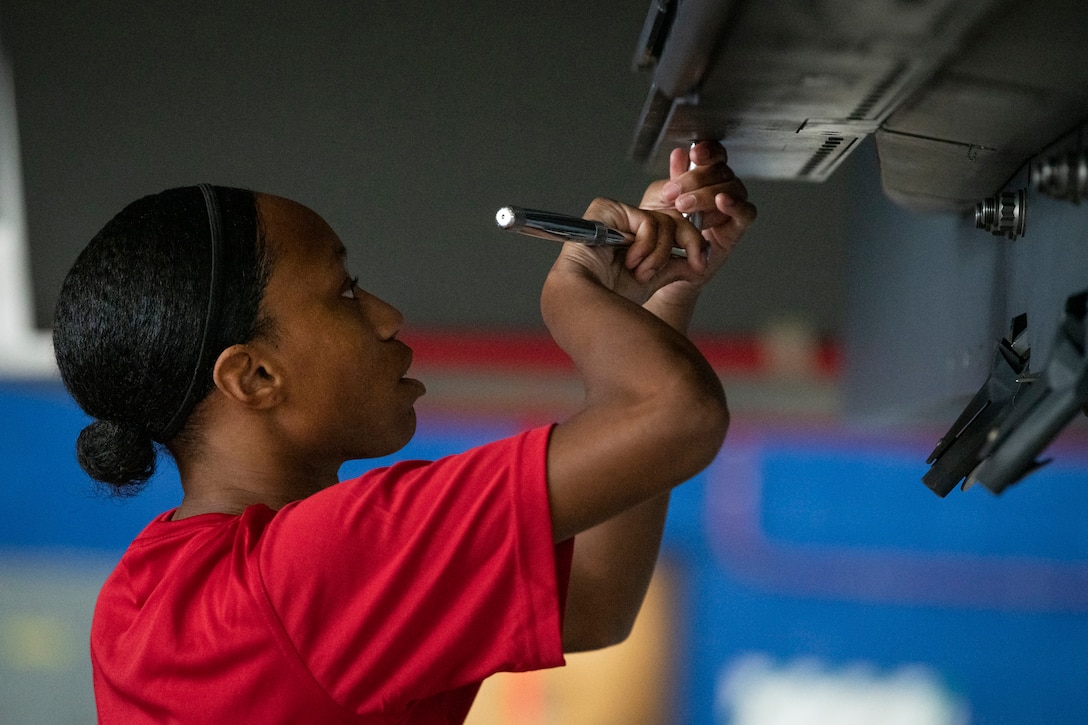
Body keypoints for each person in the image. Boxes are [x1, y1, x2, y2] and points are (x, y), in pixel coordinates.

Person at [51, 141, 755, 723]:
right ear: (255, 377)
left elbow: (593, 600)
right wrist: (572, 294)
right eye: (345, 293)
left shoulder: (137, 599)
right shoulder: (311, 570)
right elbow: (676, 415)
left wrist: (663, 295)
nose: (387, 315)